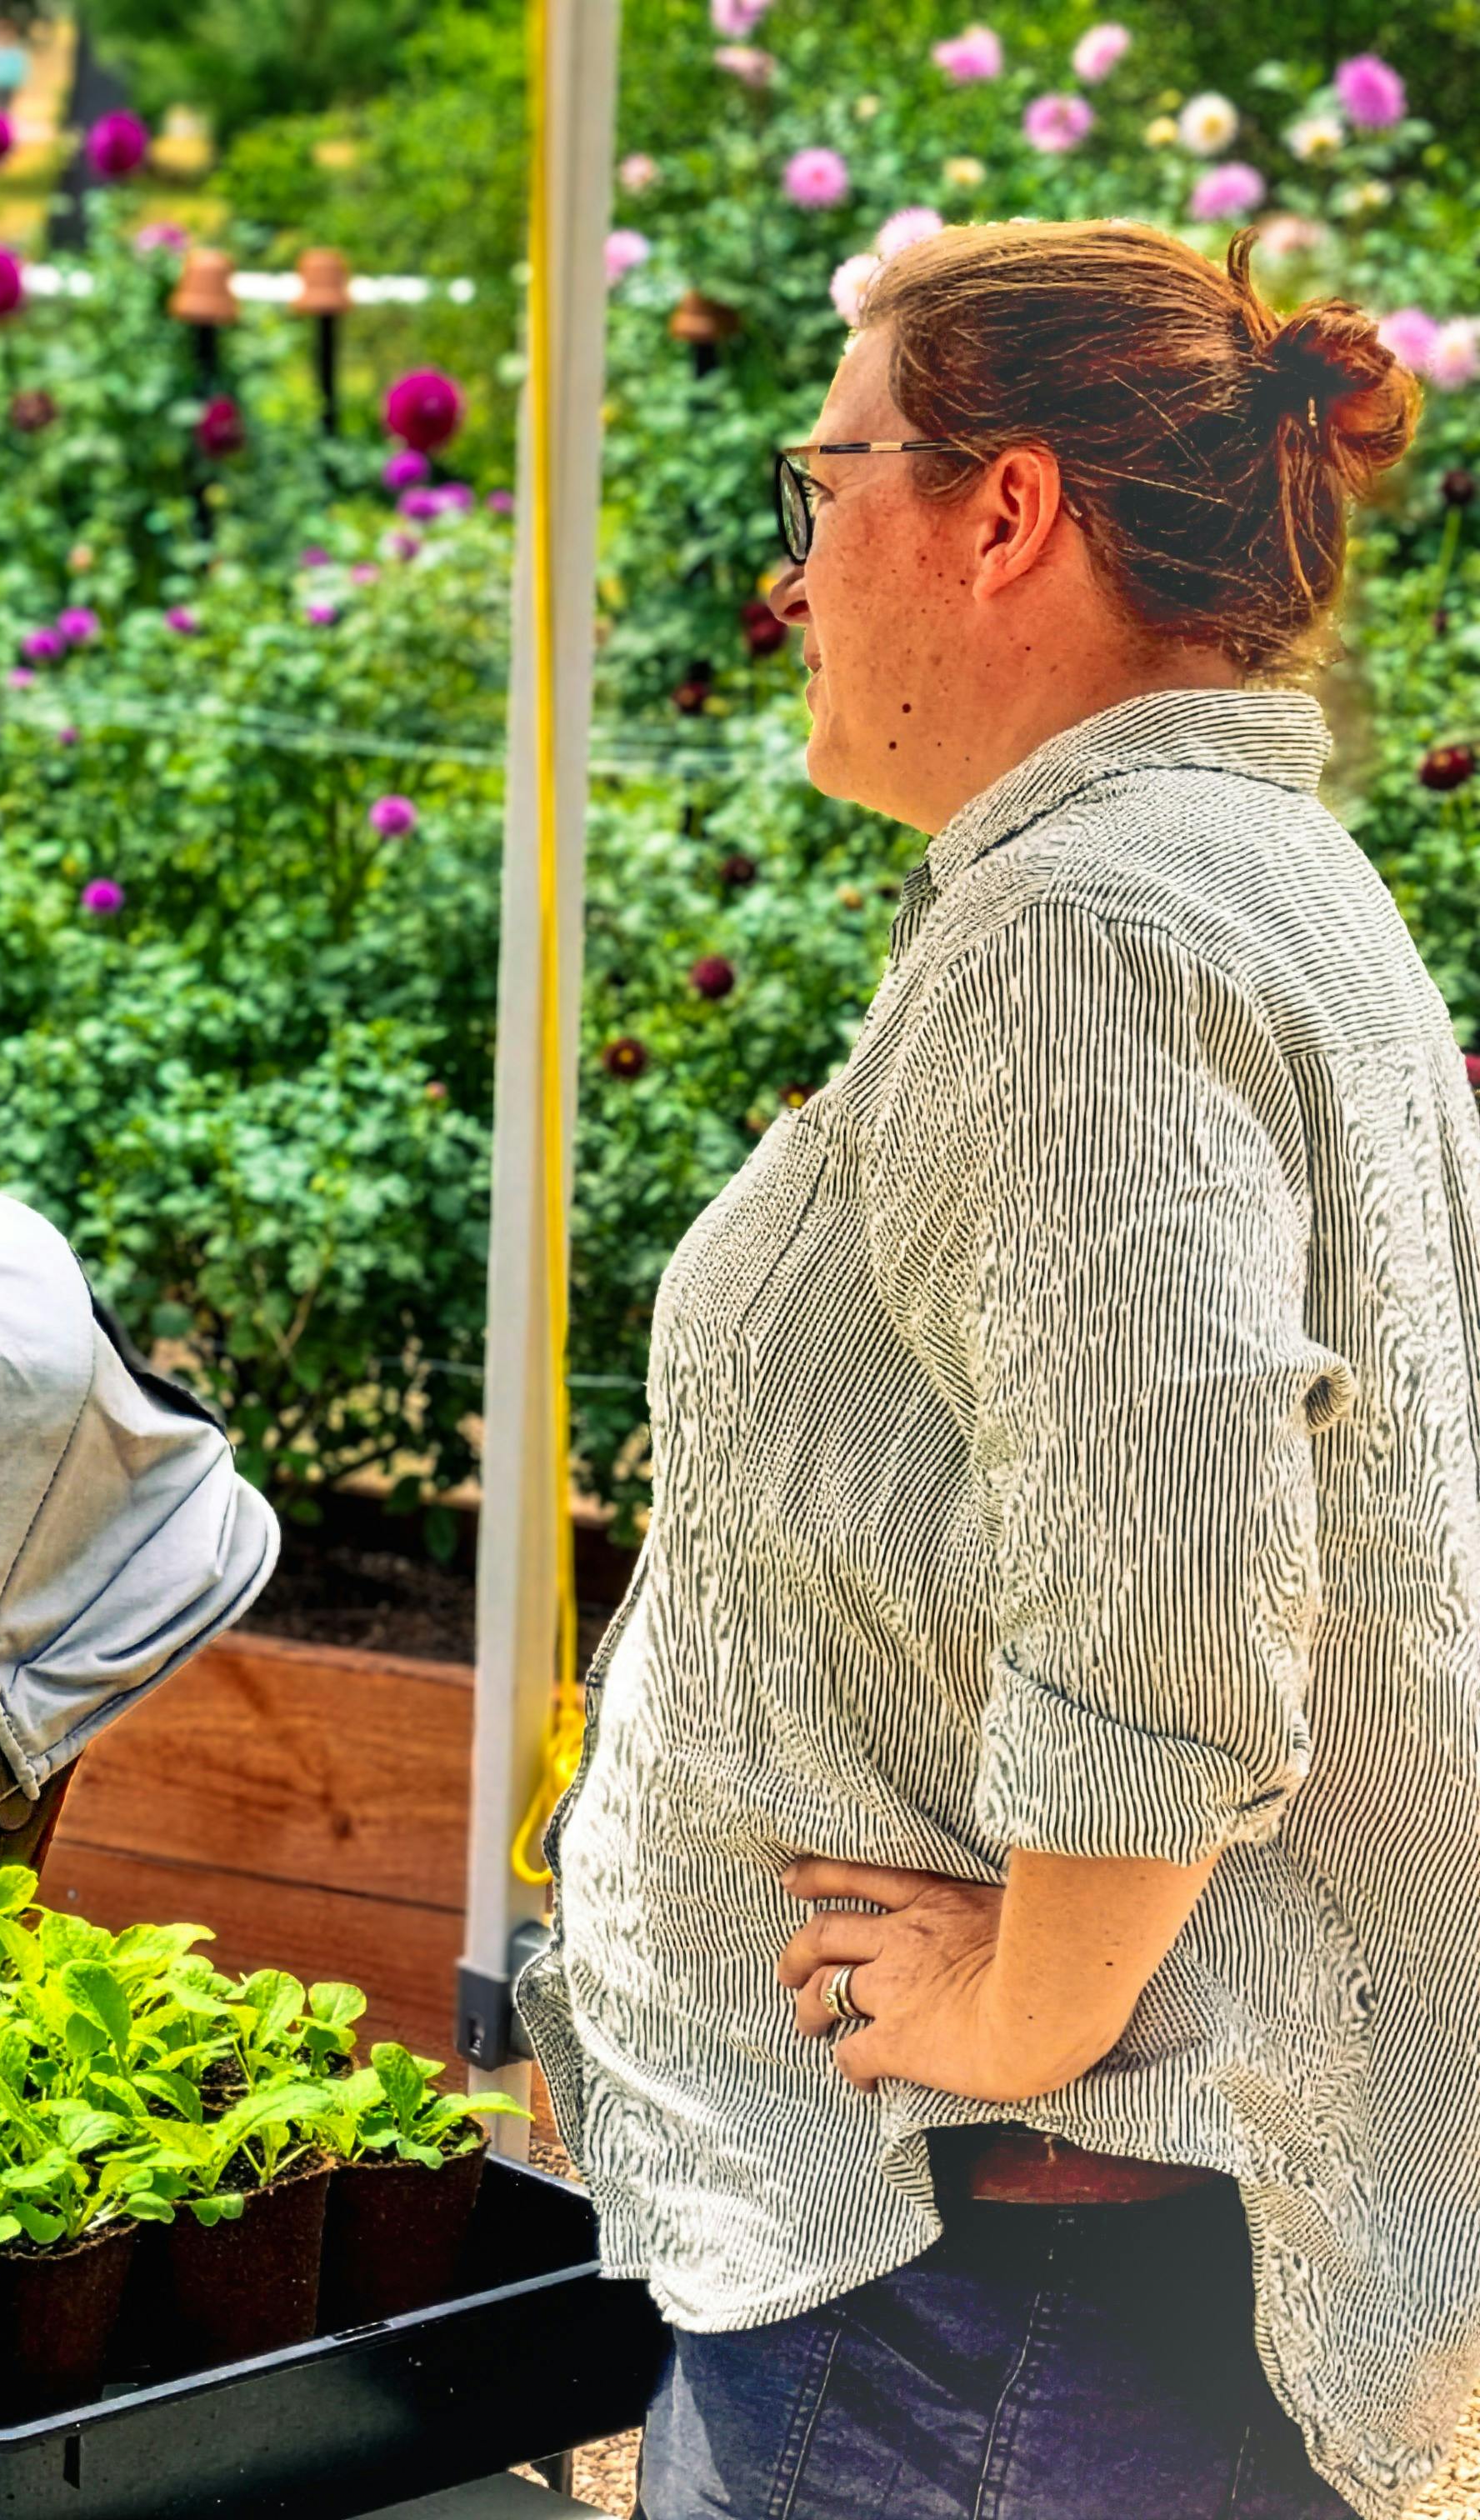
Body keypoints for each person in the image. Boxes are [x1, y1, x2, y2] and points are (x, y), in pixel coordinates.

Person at [512, 223, 1464, 2520]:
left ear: (1003, 509)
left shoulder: (1087, 939)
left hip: (990, 2307)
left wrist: (1017, 2012)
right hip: (1043, 2296)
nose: (793, 573)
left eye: (821, 483)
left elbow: (1175, 1590)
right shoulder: (1228, 868)